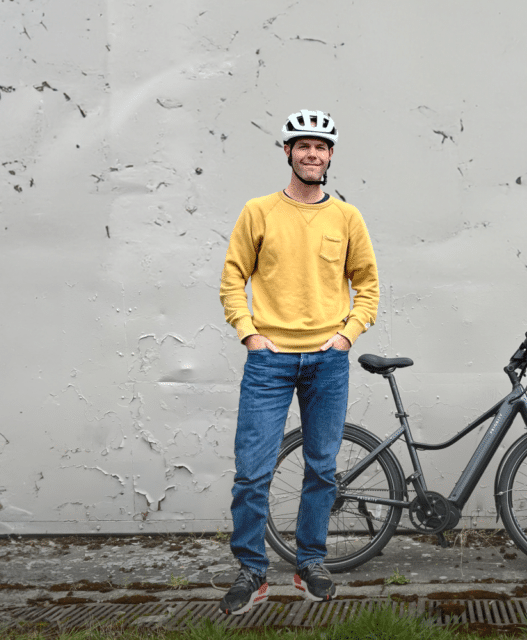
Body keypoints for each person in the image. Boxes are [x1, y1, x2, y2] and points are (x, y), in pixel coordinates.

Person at [217, 110, 379, 613]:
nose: (313, 154)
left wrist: (347, 336)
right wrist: (249, 335)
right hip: (270, 361)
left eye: (322, 147)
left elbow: (367, 285)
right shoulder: (259, 211)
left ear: (331, 156)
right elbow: (232, 278)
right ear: (287, 152)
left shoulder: (346, 217)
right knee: (252, 471)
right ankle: (251, 570)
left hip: (327, 362)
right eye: (303, 145)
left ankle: (310, 563)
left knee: (322, 469)